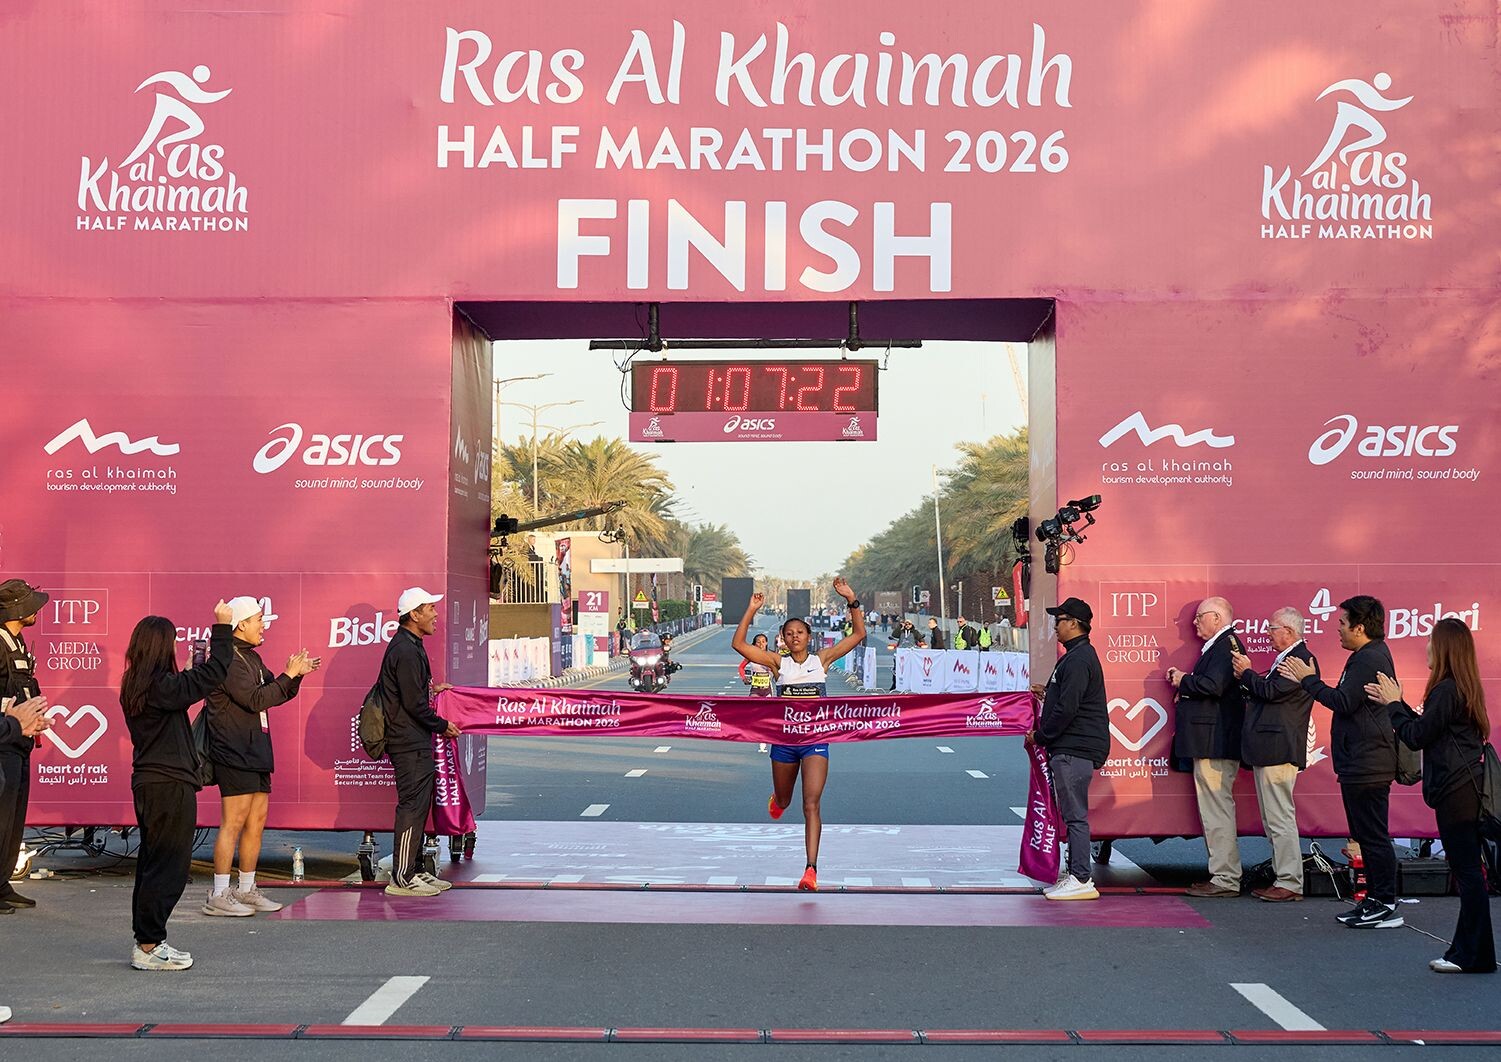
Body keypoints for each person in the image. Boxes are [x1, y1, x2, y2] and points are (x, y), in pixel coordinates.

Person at [1366, 618, 1495, 973]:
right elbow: (1426, 729)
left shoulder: (1446, 690)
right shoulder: (1459, 688)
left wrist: (1394, 705)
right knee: (1468, 872)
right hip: (1463, 787)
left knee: (1467, 873)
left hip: (1456, 790)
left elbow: (1415, 737)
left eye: (1431, 641)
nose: (1426, 647)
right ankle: (1469, 952)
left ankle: (1473, 955)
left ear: (1444, 649)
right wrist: (1399, 705)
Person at [121, 600, 235, 971]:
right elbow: (216, 670)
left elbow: (182, 690)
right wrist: (222, 626)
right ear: (160, 647)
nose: (175, 647)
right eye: (171, 642)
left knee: (154, 864)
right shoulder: (162, 687)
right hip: (168, 784)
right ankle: (149, 945)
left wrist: (186, 674)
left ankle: (148, 940)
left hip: (152, 782)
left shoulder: (140, 684)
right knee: (168, 866)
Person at [732, 578, 866, 892]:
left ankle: (811, 870)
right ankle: (778, 800)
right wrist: (750, 610)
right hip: (784, 742)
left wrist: (851, 598)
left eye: (800, 633)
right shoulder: (777, 663)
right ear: (783, 638)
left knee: (811, 804)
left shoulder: (823, 660)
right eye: (789, 633)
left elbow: (859, 634)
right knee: (784, 799)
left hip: (815, 741)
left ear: (809, 637)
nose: (795, 637)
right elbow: (738, 645)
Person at [1279, 594, 1402, 928]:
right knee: (1365, 835)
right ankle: (1374, 899)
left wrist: (1308, 680)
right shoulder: (1365, 656)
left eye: (1343, 623)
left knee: (1373, 835)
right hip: (1359, 760)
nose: (1338, 629)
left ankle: (1384, 902)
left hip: (1369, 761)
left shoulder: (1369, 658)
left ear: (1360, 627)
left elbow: (1344, 701)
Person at [200, 597, 320, 917]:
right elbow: (254, 700)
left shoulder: (251, 657)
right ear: (241, 624)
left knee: (256, 821)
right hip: (233, 750)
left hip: (256, 749)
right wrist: (287, 675)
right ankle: (219, 893)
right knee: (233, 822)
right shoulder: (227, 658)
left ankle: (246, 888)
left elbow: (274, 692)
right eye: (258, 619)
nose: (263, 625)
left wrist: (296, 675)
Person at [1231, 607, 1318, 902]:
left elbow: (1270, 692)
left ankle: (1290, 881)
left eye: (1271, 628)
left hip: (1278, 748)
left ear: (1289, 632)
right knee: (1273, 819)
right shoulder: (1288, 658)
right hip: (1269, 748)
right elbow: (1267, 692)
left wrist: (1246, 672)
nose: (1267, 634)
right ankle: (1285, 877)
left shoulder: (1299, 660)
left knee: (1279, 818)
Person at [379, 587, 459, 898]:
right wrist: (442, 725)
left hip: (415, 740)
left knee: (420, 806)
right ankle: (401, 878)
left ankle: (413, 870)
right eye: (430, 609)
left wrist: (432, 690)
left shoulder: (411, 645)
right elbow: (412, 704)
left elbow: (411, 693)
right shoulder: (406, 650)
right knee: (412, 807)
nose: (436, 614)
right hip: (407, 741)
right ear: (414, 615)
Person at [1028, 598, 1109, 901]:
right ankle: (1076, 873)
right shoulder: (1076, 656)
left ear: (1074, 623)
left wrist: (1040, 736)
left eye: (1059, 620)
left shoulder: (1078, 659)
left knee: (1075, 816)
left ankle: (1081, 877)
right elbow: (1067, 698)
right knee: (1072, 814)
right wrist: (1048, 692)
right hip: (1073, 746)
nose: (1055, 626)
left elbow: (1068, 708)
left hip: (1074, 747)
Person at [1166, 596, 1246, 898]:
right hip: (1211, 740)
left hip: (1216, 742)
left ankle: (1226, 877)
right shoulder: (1220, 646)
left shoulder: (1226, 646)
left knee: (1217, 811)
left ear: (1217, 618)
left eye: (1200, 617)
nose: (1194, 622)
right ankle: (1222, 873)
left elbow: (1214, 686)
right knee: (1214, 811)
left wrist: (1183, 680)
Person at [0, 579, 53, 914]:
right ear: (16, 610)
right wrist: (11, 710)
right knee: (1, 818)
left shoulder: (17, 642)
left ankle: (3, 883)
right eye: (31, 605)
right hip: (4, 741)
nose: (37, 610)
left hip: (21, 740)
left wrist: (35, 717)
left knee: (14, 819)